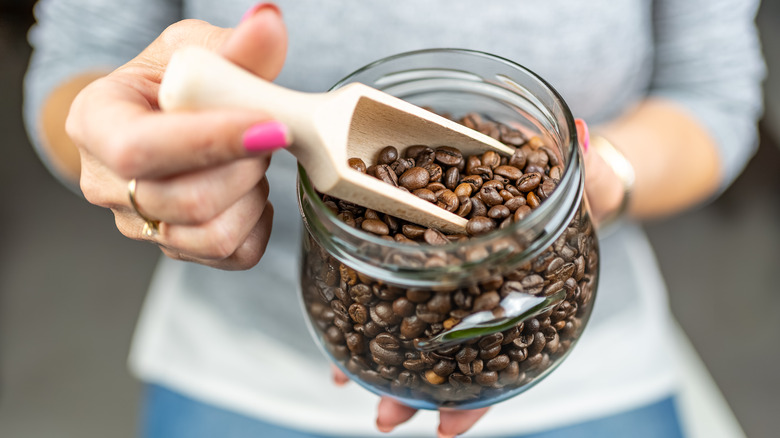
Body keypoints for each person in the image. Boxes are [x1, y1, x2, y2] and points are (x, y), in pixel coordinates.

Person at [24, 0, 764, 437]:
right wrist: (127, 144)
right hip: (242, 353)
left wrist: (604, 179)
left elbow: (715, 97)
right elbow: (75, 70)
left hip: (583, 352)